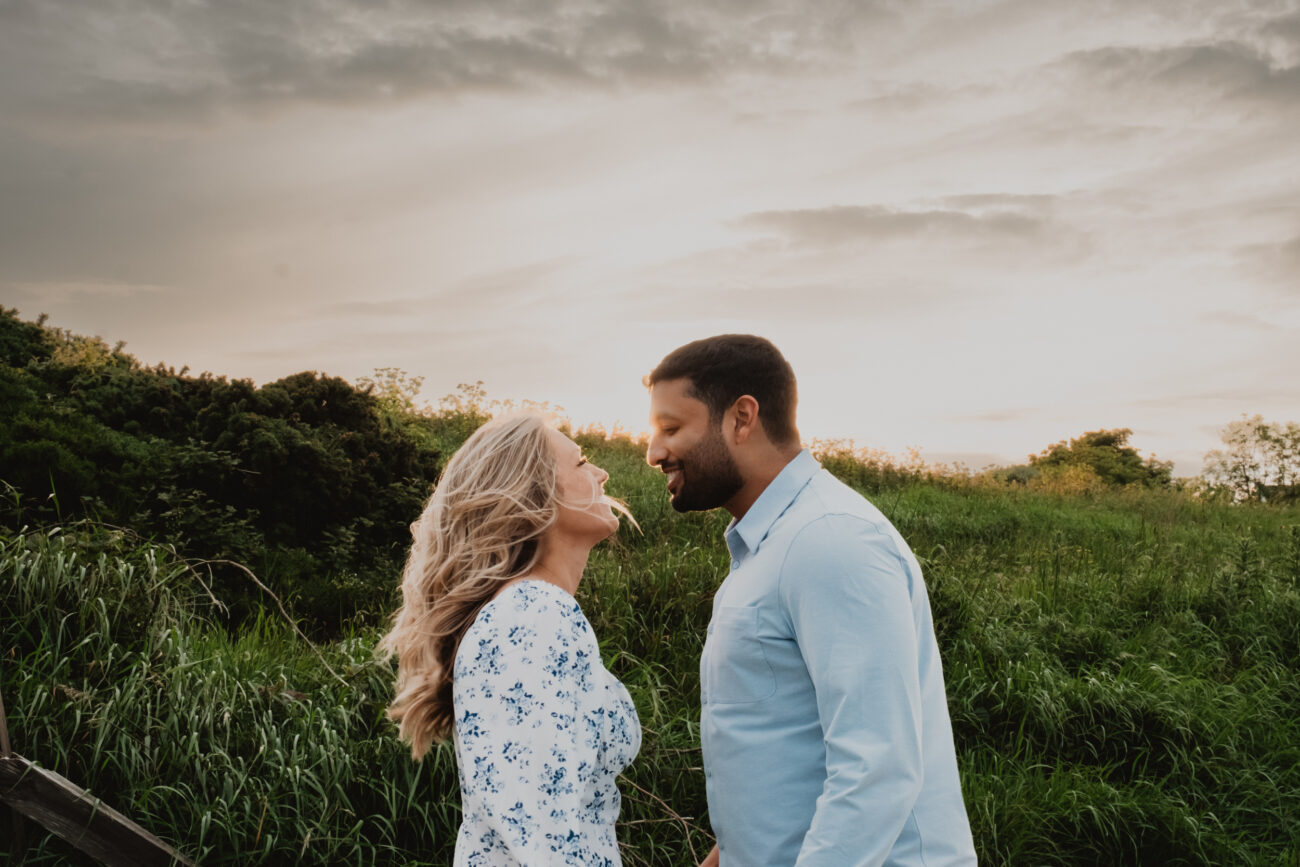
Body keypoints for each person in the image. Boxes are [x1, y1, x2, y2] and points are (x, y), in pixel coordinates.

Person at [645, 335, 977, 867]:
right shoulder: (774, 543)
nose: (653, 452)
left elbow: (875, 770)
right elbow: (785, 751)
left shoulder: (829, 539)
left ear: (742, 417)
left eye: (671, 428)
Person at [379, 411, 641, 866]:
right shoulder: (532, 615)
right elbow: (544, 842)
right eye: (581, 463)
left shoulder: (526, 613)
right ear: (533, 496)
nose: (601, 472)